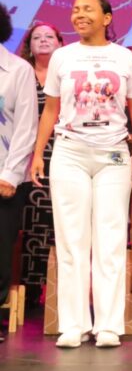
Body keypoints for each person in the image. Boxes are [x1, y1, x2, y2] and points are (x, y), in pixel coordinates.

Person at [29, 0, 132, 348]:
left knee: (110, 239)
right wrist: (38, 153)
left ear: (107, 17)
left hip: (113, 154)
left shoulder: (123, 57)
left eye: (87, 9)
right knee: (71, 240)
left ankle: (108, 325)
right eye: (75, 9)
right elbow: (51, 109)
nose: (79, 14)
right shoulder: (63, 56)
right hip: (69, 153)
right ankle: (74, 324)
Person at [17, 21, 64, 303]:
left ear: (60, 43)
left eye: (49, 36)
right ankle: (23, 288)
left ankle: (46, 289)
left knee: (51, 221)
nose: (44, 40)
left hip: (61, 152)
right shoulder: (19, 73)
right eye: (37, 37)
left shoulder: (68, 73)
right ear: (29, 45)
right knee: (25, 220)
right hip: (22, 153)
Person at [0, 4, 38, 343]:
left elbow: (26, 127)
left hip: (4, 178)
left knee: (1, 248)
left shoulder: (18, 70)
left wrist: (10, 175)